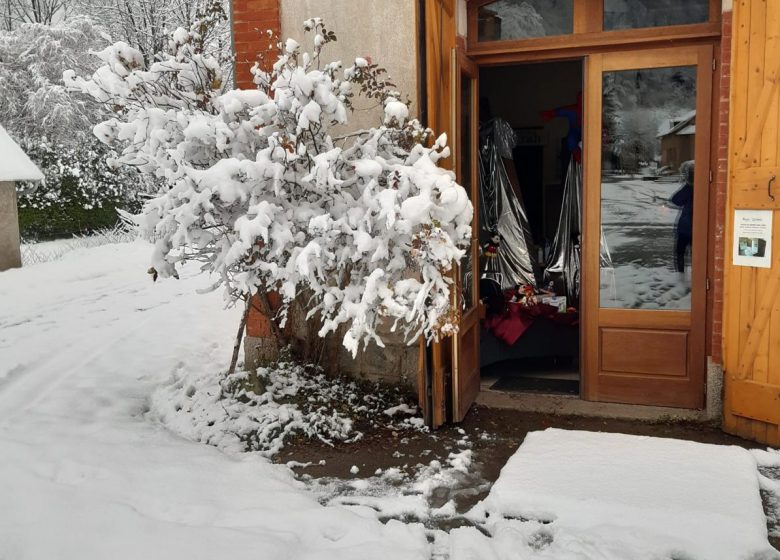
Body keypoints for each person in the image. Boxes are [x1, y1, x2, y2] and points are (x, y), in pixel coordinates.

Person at [670, 161, 694, 273]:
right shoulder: (706, 187)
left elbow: (676, 200)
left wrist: (688, 185)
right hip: (697, 229)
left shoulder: (689, 189)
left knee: (680, 252)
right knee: (698, 254)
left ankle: (680, 274)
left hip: (686, 228)